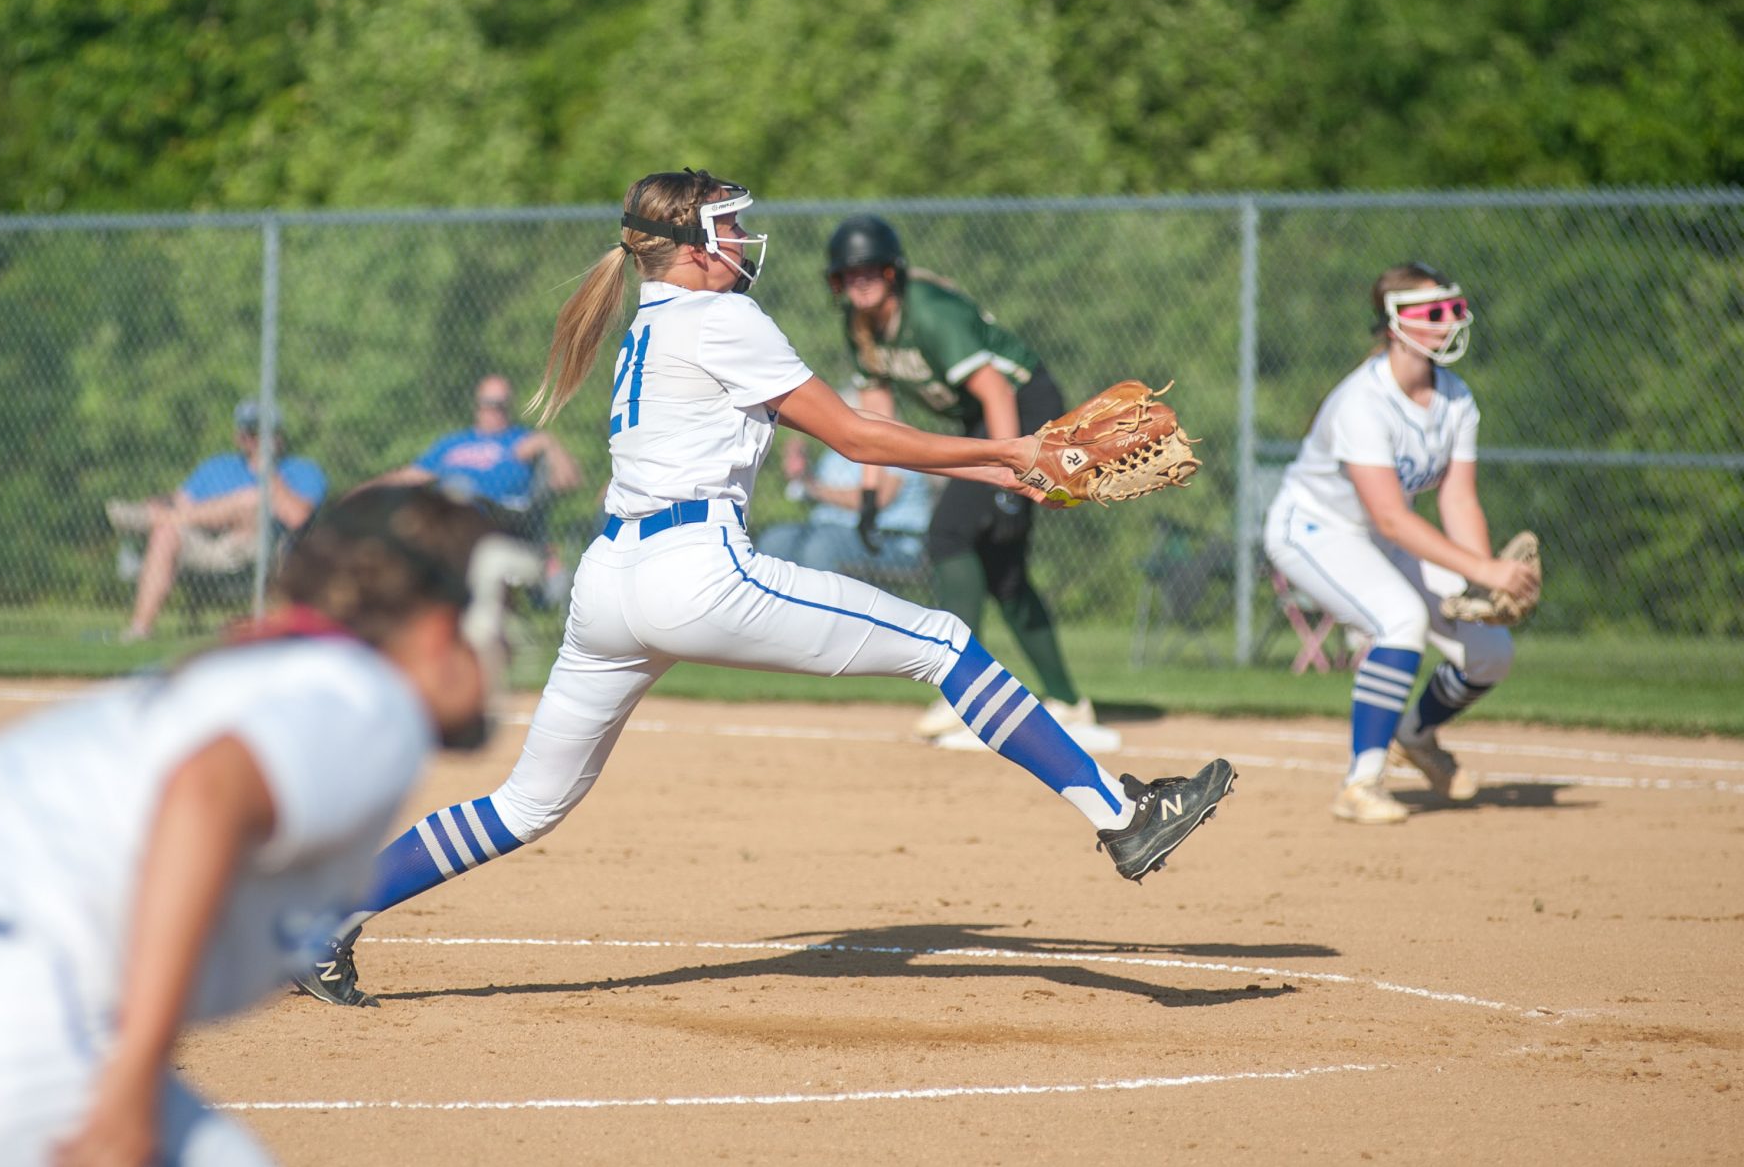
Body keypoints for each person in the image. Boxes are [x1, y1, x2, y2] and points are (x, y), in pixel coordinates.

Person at [293, 169, 1236, 1008]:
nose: (743, 240)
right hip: (695, 570)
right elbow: (858, 439)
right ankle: (1122, 817)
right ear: (696, 248)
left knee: (527, 806)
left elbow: (868, 440)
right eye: (730, 226)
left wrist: (1006, 473)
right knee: (945, 642)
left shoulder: (652, 322)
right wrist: (1009, 446)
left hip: (609, 580)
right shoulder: (724, 318)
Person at [0, 486, 516, 1165]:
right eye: (489, 619)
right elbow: (208, 791)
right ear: (434, 633)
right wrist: (131, 1080)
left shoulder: (253, 667)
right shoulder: (371, 700)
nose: (503, 647)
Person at [825, 215, 1114, 752]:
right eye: (847, 275)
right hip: (989, 423)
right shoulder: (860, 325)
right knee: (1003, 571)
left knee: (949, 535)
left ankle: (966, 694)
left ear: (894, 272)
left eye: (872, 270)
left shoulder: (929, 312)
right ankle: (1068, 702)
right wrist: (869, 494)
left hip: (1024, 408)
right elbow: (876, 414)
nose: (859, 282)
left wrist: (1008, 479)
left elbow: (998, 391)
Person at [1263, 262, 1538, 825]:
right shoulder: (1362, 401)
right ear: (1394, 324)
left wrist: (1479, 573)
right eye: (1432, 312)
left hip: (1382, 539)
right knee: (1400, 620)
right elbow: (1390, 518)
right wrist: (1484, 574)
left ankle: (1414, 735)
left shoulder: (1456, 398)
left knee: (1490, 653)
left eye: (1452, 310)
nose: (1449, 321)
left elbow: (1458, 500)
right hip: (1315, 532)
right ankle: (1360, 784)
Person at [107, 399, 329, 641]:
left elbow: (298, 518)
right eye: (250, 433)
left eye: (265, 432)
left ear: (279, 436)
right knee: (165, 532)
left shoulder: (302, 470)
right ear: (239, 437)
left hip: (259, 550)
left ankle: (150, 519)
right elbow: (181, 500)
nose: (257, 440)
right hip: (209, 544)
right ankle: (139, 631)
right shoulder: (217, 467)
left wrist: (268, 474)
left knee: (252, 498)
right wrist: (157, 504)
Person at [364, 373, 582, 537]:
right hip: (444, 520)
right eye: (488, 404)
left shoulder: (522, 440)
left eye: (501, 405)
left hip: (494, 526)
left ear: (510, 406)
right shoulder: (453, 443)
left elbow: (569, 481)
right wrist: (361, 493)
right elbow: (410, 476)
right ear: (477, 405)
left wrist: (549, 443)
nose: (494, 411)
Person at [756, 432, 932, 577]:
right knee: (775, 540)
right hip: (827, 531)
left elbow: (877, 500)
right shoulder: (835, 455)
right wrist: (801, 471)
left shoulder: (896, 449)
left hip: (889, 541)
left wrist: (814, 489)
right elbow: (815, 491)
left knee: (821, 547)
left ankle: (823, 617)